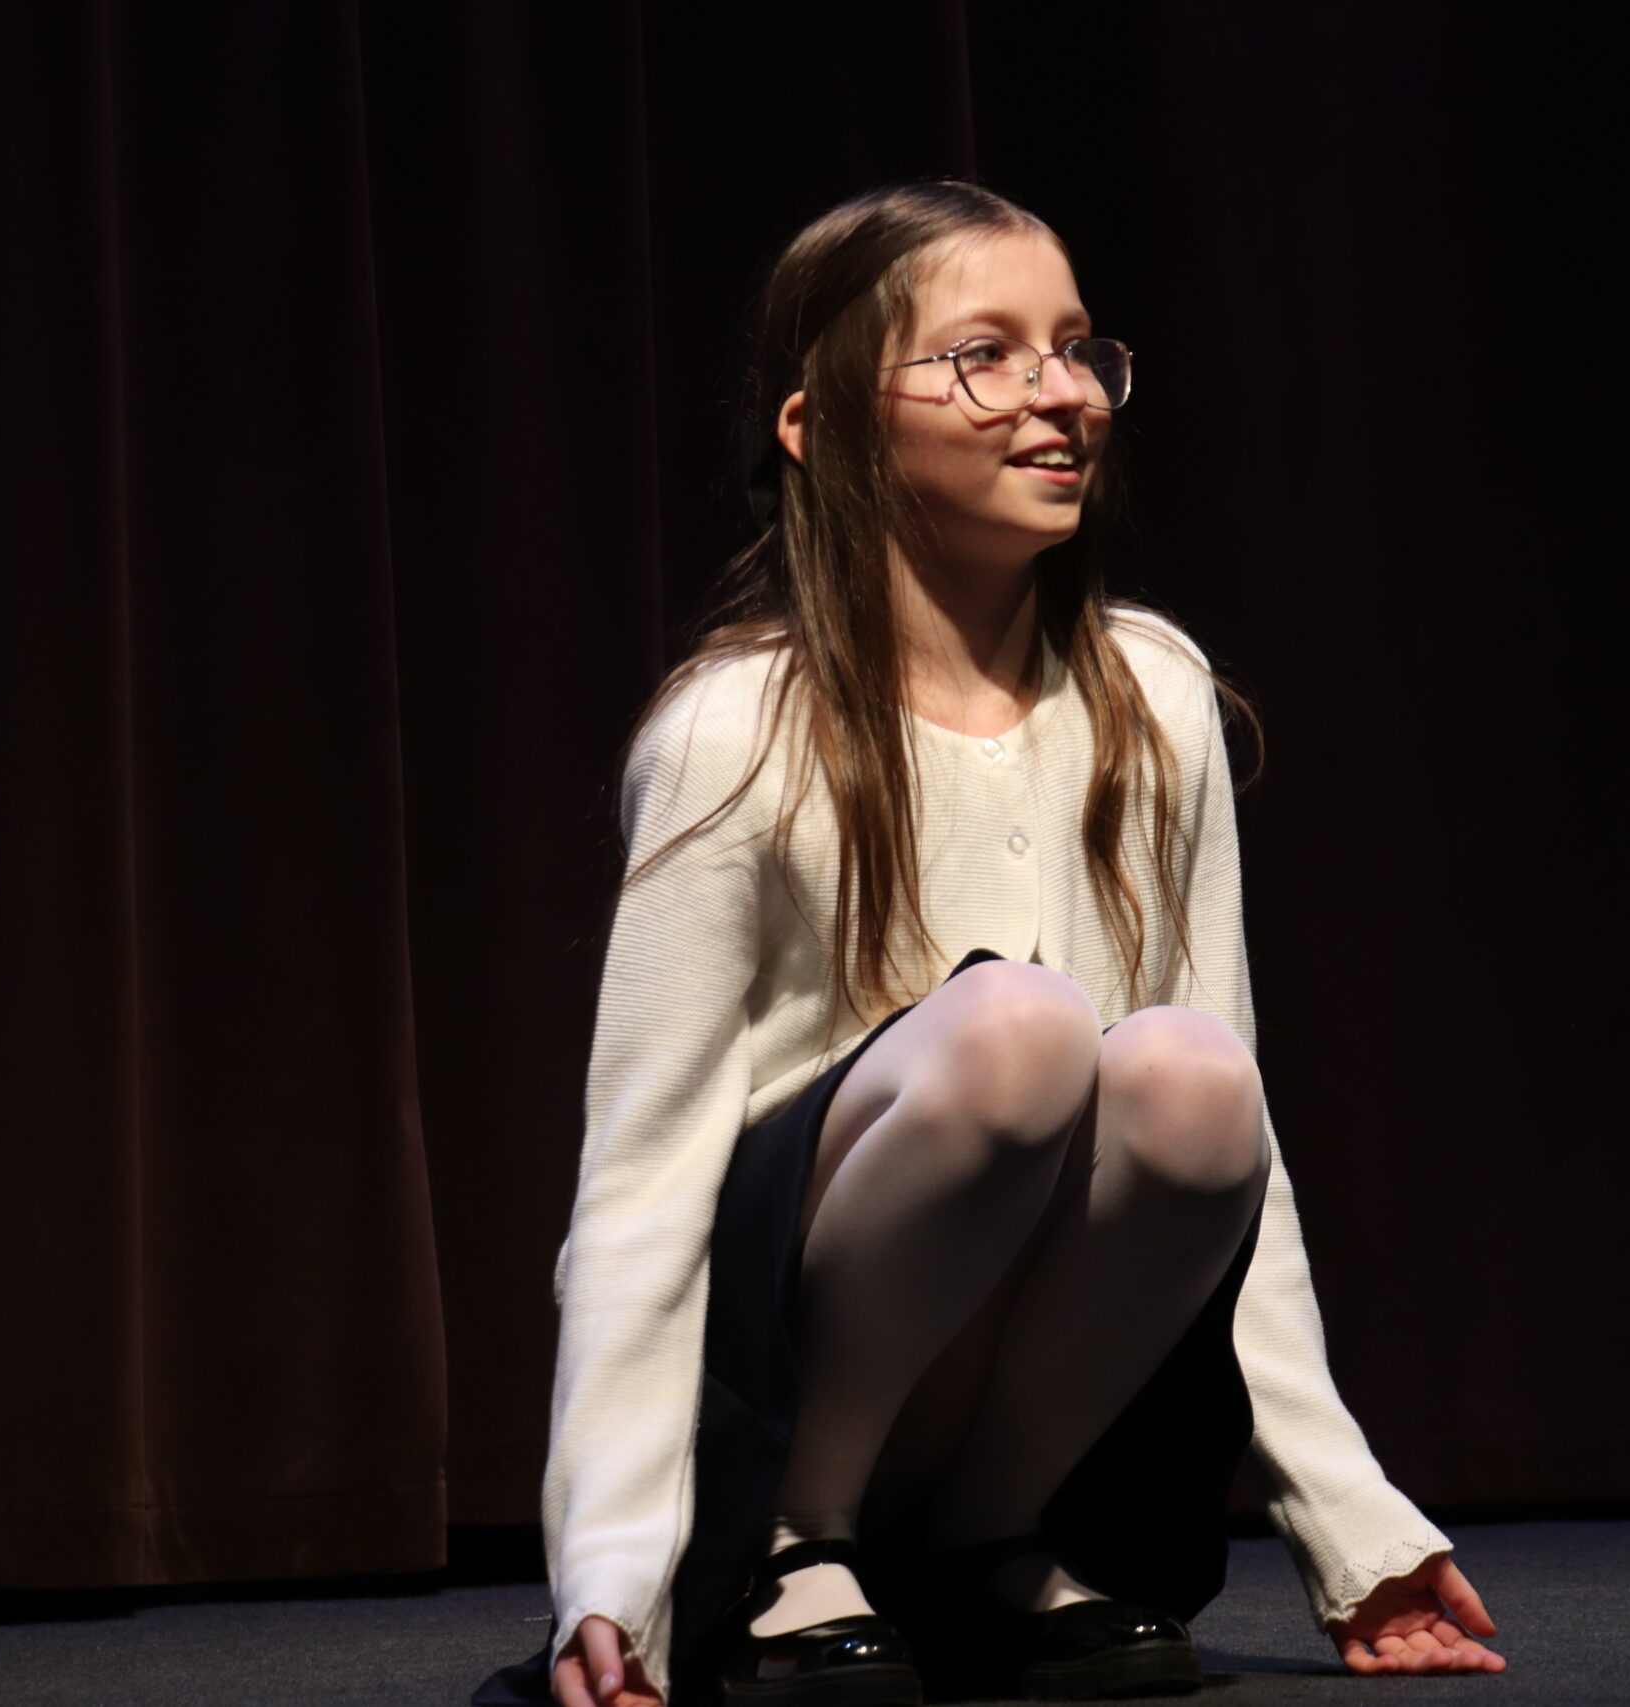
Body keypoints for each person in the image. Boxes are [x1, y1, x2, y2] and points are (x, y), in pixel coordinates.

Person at [512, 181, 1506, 1707]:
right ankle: (794, 1540)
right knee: (1018, 1031)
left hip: (1024, 1396)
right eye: (986, 355)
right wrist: (612, 1572)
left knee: (1193, 1077)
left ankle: (992, 1536)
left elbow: (1242, 1182)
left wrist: (1352, 1529)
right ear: (821, 426)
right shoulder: (734, 731)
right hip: (778, 1397)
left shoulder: (1152, 696)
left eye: (1076, 349)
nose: (1061, 394)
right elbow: (642, 1186)